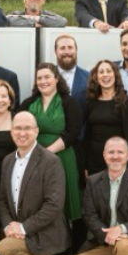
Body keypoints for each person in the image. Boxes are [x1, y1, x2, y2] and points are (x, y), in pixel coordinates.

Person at [0, 112, 69, 255]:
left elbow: (54, 205)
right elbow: (2, 199)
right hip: (19, 234)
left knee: (5, 248)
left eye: (27, 128)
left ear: (36, 131)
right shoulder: (8, 161)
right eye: (17, 128)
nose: (22, 133)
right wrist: (8, 227)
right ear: (11, 132)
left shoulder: (50, 161)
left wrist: (23, 228)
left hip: (43, 233)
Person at [25, 63, 83, 235]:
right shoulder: (28, 103)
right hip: (33, 160)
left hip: (63, 158)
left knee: (65, 200)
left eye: (47, 77)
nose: (43, 81)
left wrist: (47, 153)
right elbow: (19, 129)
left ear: (56, 78)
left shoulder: (69, 102)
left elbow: (73, 132)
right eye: (39, 78)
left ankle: (71, 247)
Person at [83, 60, 128, 177]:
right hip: (94, 162)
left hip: (117, 162)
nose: (105, 75)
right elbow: (87, 136)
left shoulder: (126, 103)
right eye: (101, 72)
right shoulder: (91, 103)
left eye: (108, 71)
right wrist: (85, 165)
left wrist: (125, 163)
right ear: (96, 77)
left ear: (115, 75)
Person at [53, 34, 90, 103]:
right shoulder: (46, 77)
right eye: (62, 48)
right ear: (55, 51)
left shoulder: (88, 77)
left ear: (76, 50)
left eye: (70, 47)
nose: (67, 52)